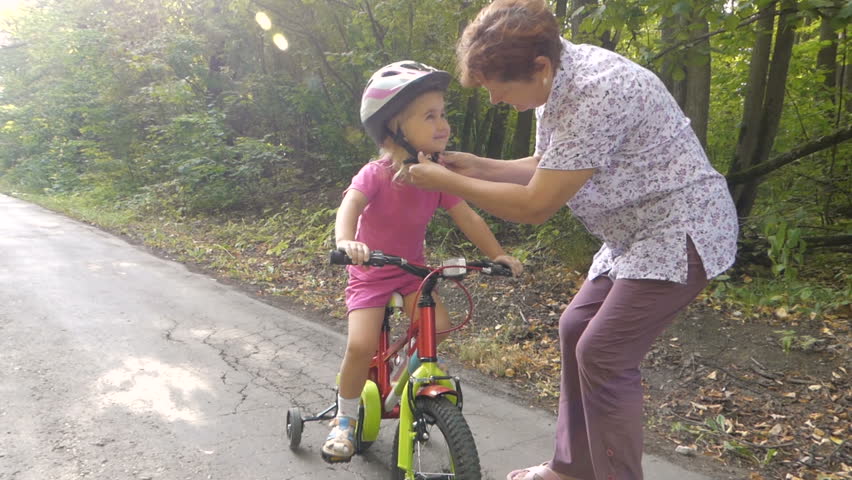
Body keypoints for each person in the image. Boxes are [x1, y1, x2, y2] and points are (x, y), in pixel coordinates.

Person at [407, 1, 739, 479]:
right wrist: (472, 165)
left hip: (682, 228)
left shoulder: (596, 90)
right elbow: (545, 166)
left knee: (602, 352)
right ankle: (573, 468)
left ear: (539, 67)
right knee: (574, 329)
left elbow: (536, 205)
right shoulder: (556, 83)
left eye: (499, 88)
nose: (496, 99)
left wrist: (446, 183)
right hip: (634, 233)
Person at [323, 60, 523, 463]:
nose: (443, 124)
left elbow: (467, 215)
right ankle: (343, 420)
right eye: (429, 116)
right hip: (371, 272)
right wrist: (347, 242)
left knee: (441, 326)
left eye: (443, 114)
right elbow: (350, 206)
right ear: (395, 128)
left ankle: (399, 375)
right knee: (360, 344)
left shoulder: (436, 176)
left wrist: (496, 254)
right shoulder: (376, 174)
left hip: (413, 271)